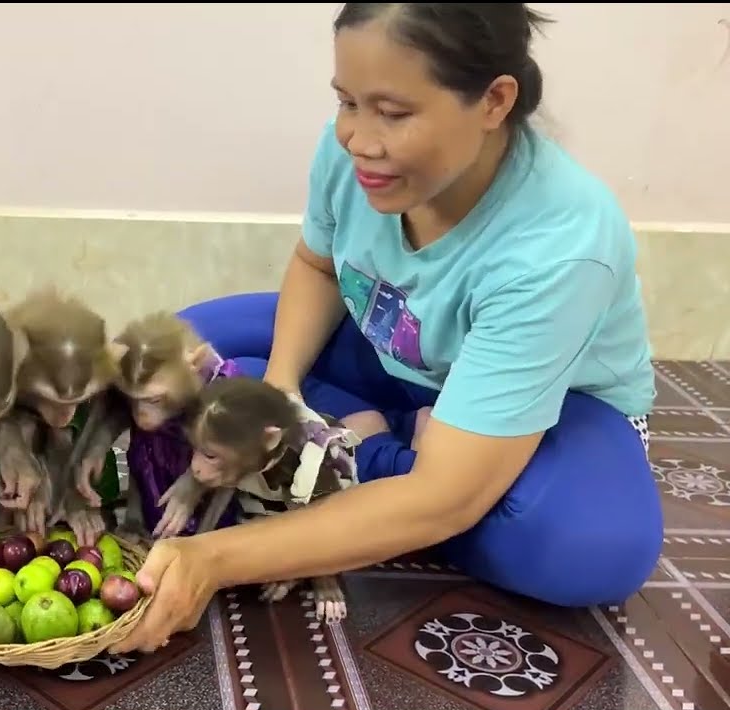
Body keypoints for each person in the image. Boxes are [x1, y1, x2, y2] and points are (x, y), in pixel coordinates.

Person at [107, 3, 662, 656]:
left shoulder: (562, 243)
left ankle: (364, 462)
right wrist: (281, 393)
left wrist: (216, 558)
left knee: (590, 547)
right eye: (347, 102)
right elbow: (316, 265)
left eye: (394, 113)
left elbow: (446, 501)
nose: (359, 140)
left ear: (494, 101)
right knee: (188, 350)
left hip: (560, 415)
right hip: (398, 358)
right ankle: (371, 455)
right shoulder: (353, 154)